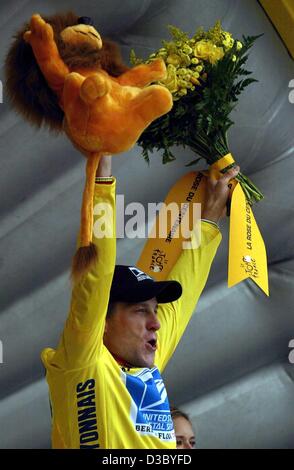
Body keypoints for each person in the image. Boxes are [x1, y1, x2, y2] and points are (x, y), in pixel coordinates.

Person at [41, 155, 240, 449]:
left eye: (154, 309)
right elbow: (94, 279)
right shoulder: (84, 362)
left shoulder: (149, 358)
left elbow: (185, 293)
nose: (156, 322)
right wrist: (102, 177)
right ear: (103, 323)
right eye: (139, 310)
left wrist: (210, 219)